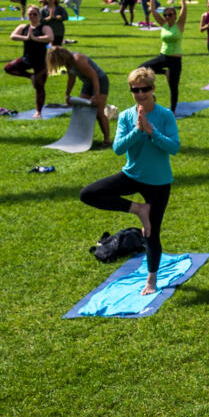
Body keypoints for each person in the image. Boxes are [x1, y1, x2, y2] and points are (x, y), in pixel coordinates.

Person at [80, 68, 179, 295]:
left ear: (153, 89)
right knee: (88, 194)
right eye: (136, 90)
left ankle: (151, 279)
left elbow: (174, 147)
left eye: (145, 89)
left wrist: (152, 132)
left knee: (151, 233)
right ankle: (138, 209)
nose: (141, 93)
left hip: (158, 181)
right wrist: (137, 130)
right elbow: (118, 148)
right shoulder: (126, 116)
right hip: (132, 175)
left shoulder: (165, 116)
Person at [47, 45, 114, 146]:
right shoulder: (68, 63)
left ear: (60, 58)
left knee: (99, 113)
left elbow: (94, 76)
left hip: (100, 81)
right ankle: (81, 138)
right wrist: (67, 94)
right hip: (87, 83)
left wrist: (96, 95)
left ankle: (107, 140)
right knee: (81, 109)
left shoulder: (78, 60)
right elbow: (71, 79)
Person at [5, 6, 55, 115]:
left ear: (39, 15)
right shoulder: (23, 27)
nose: (32, 16)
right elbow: (12, 36)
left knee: (39, 86)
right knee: (8, 68)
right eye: (30, 14)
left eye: (34, 14)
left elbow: (50, 38)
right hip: (27, 59)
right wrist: (26, 38)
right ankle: (30, 76)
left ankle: (38, 112)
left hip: (41, 62)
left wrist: (36, 38)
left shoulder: (44, 27)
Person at [143, 4, 185, 111]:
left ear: (175, 16)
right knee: (142, 69)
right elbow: (153, 10)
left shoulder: (179, 25)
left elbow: (184, 9)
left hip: (175, 60)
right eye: (165, 15)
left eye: (170, 14)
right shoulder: (164, 25)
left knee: (173, 87)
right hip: (163, 57)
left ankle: (173, 111)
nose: (167, 17)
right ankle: (165, 72)